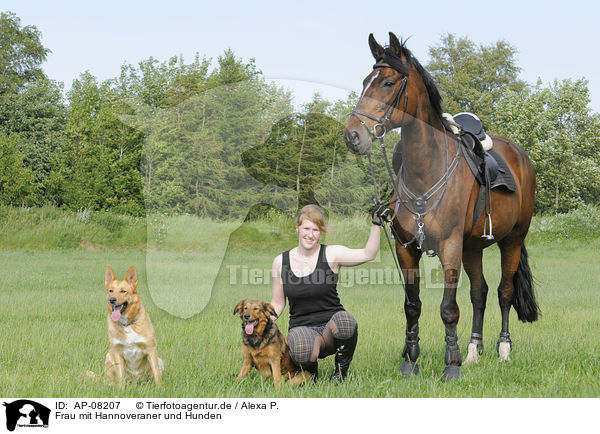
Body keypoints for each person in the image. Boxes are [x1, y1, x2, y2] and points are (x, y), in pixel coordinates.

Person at [270, 203, 389, 382]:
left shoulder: (332, 254)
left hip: (331, 327)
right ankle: (311, 372)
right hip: (302, 326)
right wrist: (261, 321)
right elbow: (278, 303)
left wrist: (376, 224)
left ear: (321, 232)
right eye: (306, 228)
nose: (310, 235)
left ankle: (340, 372)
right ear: (297, 228)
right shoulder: (280, 262)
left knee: (346, 322)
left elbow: (368, 254)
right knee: (302, 349)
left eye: (316, 230)